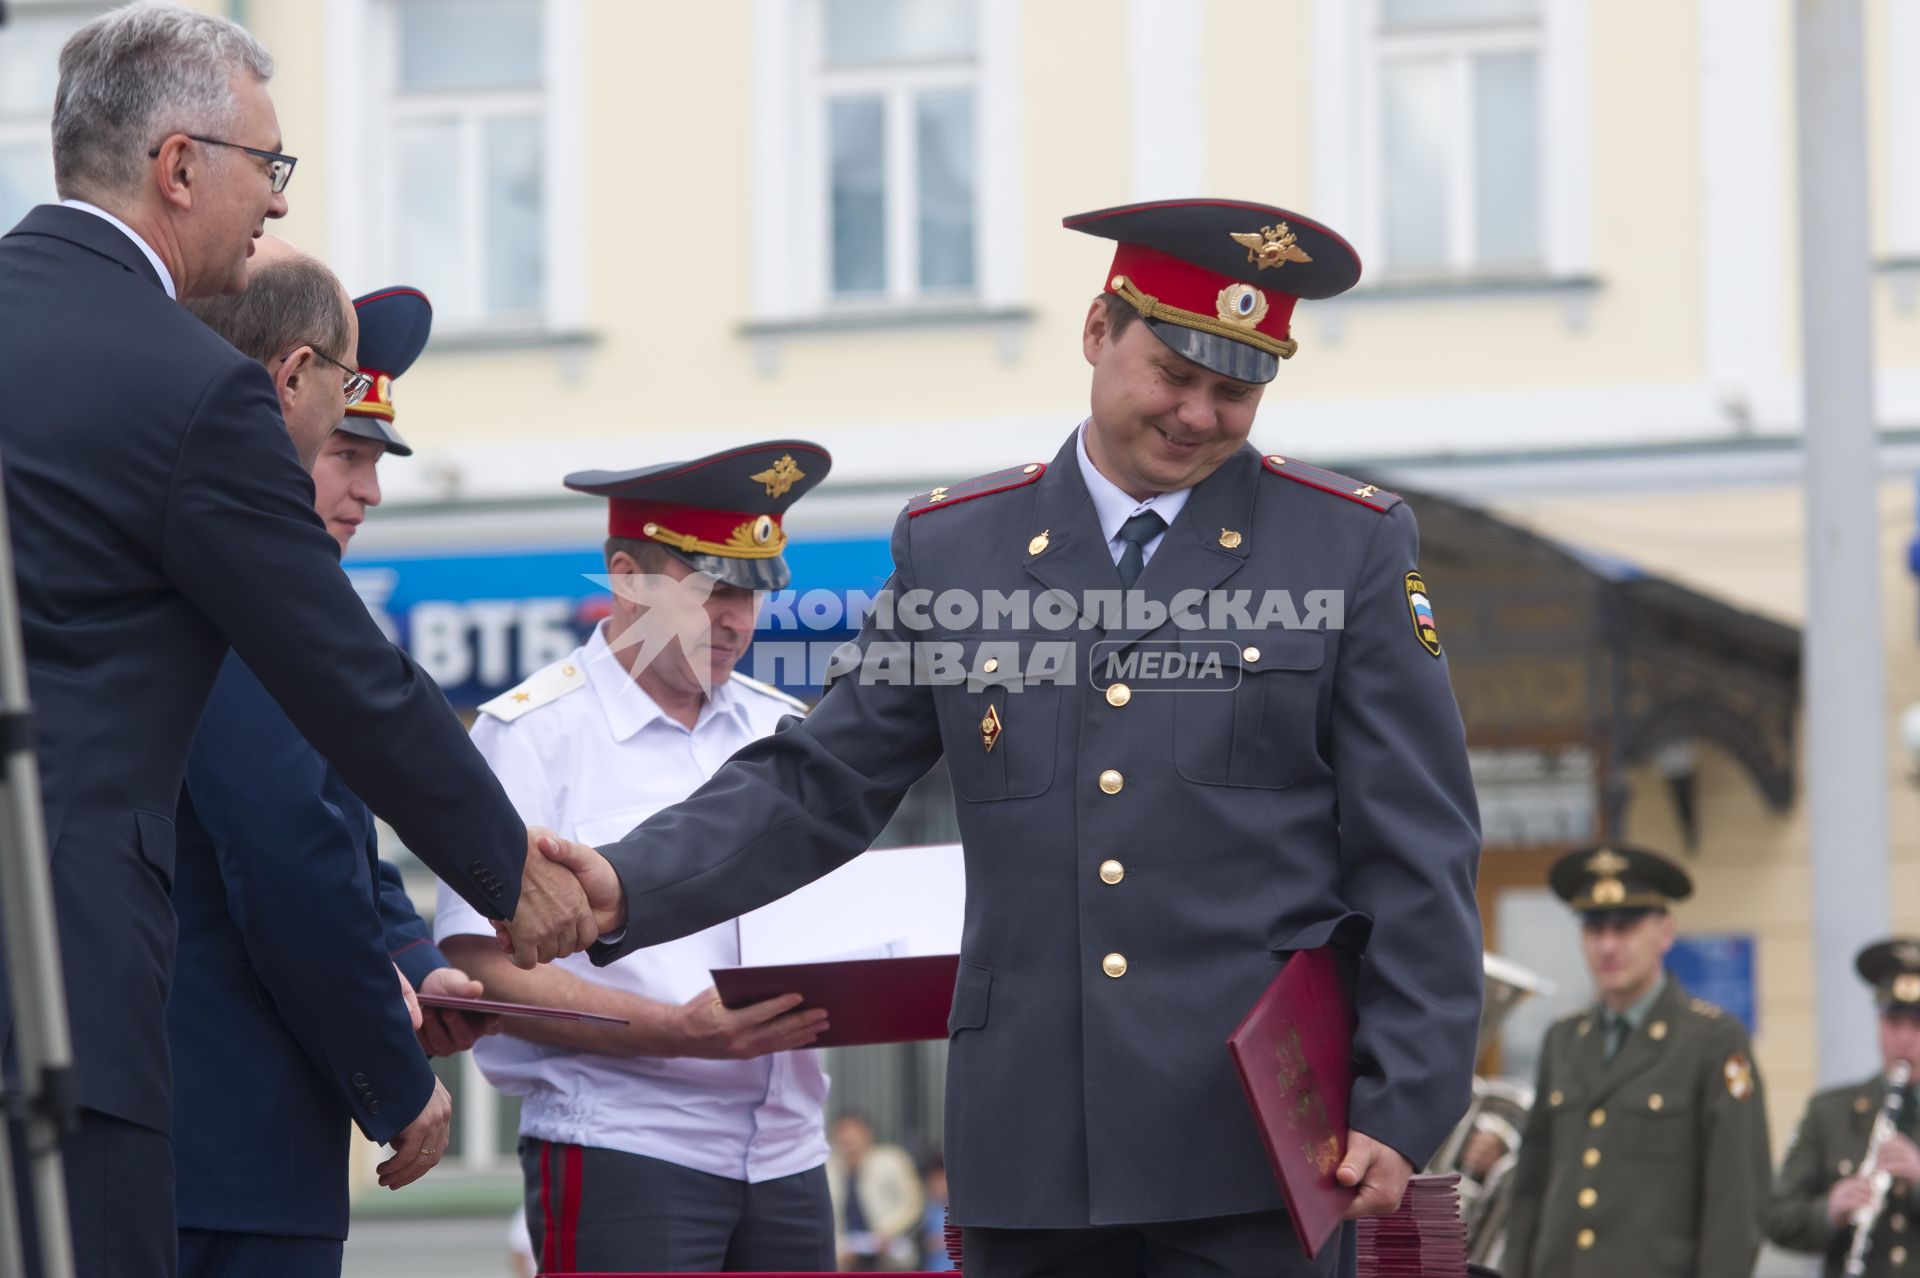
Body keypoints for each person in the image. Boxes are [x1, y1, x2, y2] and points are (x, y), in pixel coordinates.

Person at [550, 198, 1486, 1276]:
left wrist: (1402, 1103)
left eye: (1235, 390)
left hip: (1262, 1155)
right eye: (1173, 374)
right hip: (1035, 1157)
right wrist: (623, 884)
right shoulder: (960, 551)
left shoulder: (1346, 547)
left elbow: (1418, 851)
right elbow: (825, 778)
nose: (1198, 414)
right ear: (1097, 332)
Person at [0, 7, 592, 1274]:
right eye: (267, 167)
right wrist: (506, 868)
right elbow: (341, 674)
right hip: (67, 1000)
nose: (274, 204)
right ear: (177, 167)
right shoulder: (184, 386)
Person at [168, 265, 500, 1278]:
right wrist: (392, 1076)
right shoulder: (238, 600)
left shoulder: (293, 608)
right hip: (219, 1155)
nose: (369, 488)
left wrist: (411, 958)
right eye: (347, 450)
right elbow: (284, 854)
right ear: (284, 405)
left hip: (233, 1154)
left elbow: (339, 836)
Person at [436, 442, 838, 1273]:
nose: (737, 619)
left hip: (791, 1154)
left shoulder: (782, 729)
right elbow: (483, 968)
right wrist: (671, 1032)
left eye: (754, 592)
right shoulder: (531, 734)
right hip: (626, 1147)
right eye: (712, 589)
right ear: (626, 577)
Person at [1501, 846, 1771, 1278]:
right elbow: (1531, 1189)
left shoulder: (1713, 1041)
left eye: (1624, 927)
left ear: (1664, 932)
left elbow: (1736, 1204)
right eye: (1593, 928)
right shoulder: (1563, 1039)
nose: (1607, 945)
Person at [1767, 938, 1920, 1277]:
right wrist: (1828, 1211)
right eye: (1893, 1023)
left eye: (1917, 1025)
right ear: (1878, 1024)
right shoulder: (1829, 1112)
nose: (1905, 1039)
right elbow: (1776, 1216)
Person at [826, 1112, 924, 1271]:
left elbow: (914, 1204)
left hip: (890, 1251)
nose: (849, 1142)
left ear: (867, 1134)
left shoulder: (891, 1160)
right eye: (844, 1138)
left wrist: (887, 1233)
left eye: (853, 1137)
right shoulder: (829, 1169)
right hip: (846, 1255)